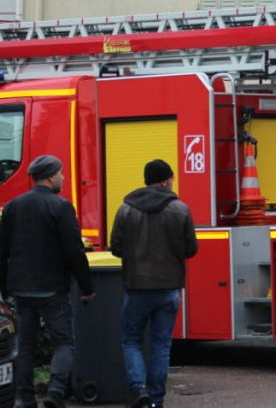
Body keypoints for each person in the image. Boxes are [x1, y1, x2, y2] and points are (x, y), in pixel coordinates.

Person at [0, 154, 95, 408]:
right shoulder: (61, 207)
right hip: (53, 290)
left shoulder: (13, 206)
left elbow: (0, 252)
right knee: (64, 343)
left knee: (25, 346)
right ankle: (56, 392)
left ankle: (25, 398)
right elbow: (74, 251)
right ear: (50, 177)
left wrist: (0, 290)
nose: (63, 177)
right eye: (60, 173)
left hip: (22, 290)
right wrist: (87, 287)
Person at [110, 159, 198, 408]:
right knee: (161, 345)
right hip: (169, 289)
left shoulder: (126, 209)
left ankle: (138, 389)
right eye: (171, 178)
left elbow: (116, 247)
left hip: (136, 288)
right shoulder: (180, 209)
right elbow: (191, 249)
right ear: (165, 180)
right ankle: (156, 400)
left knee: (131, 340)